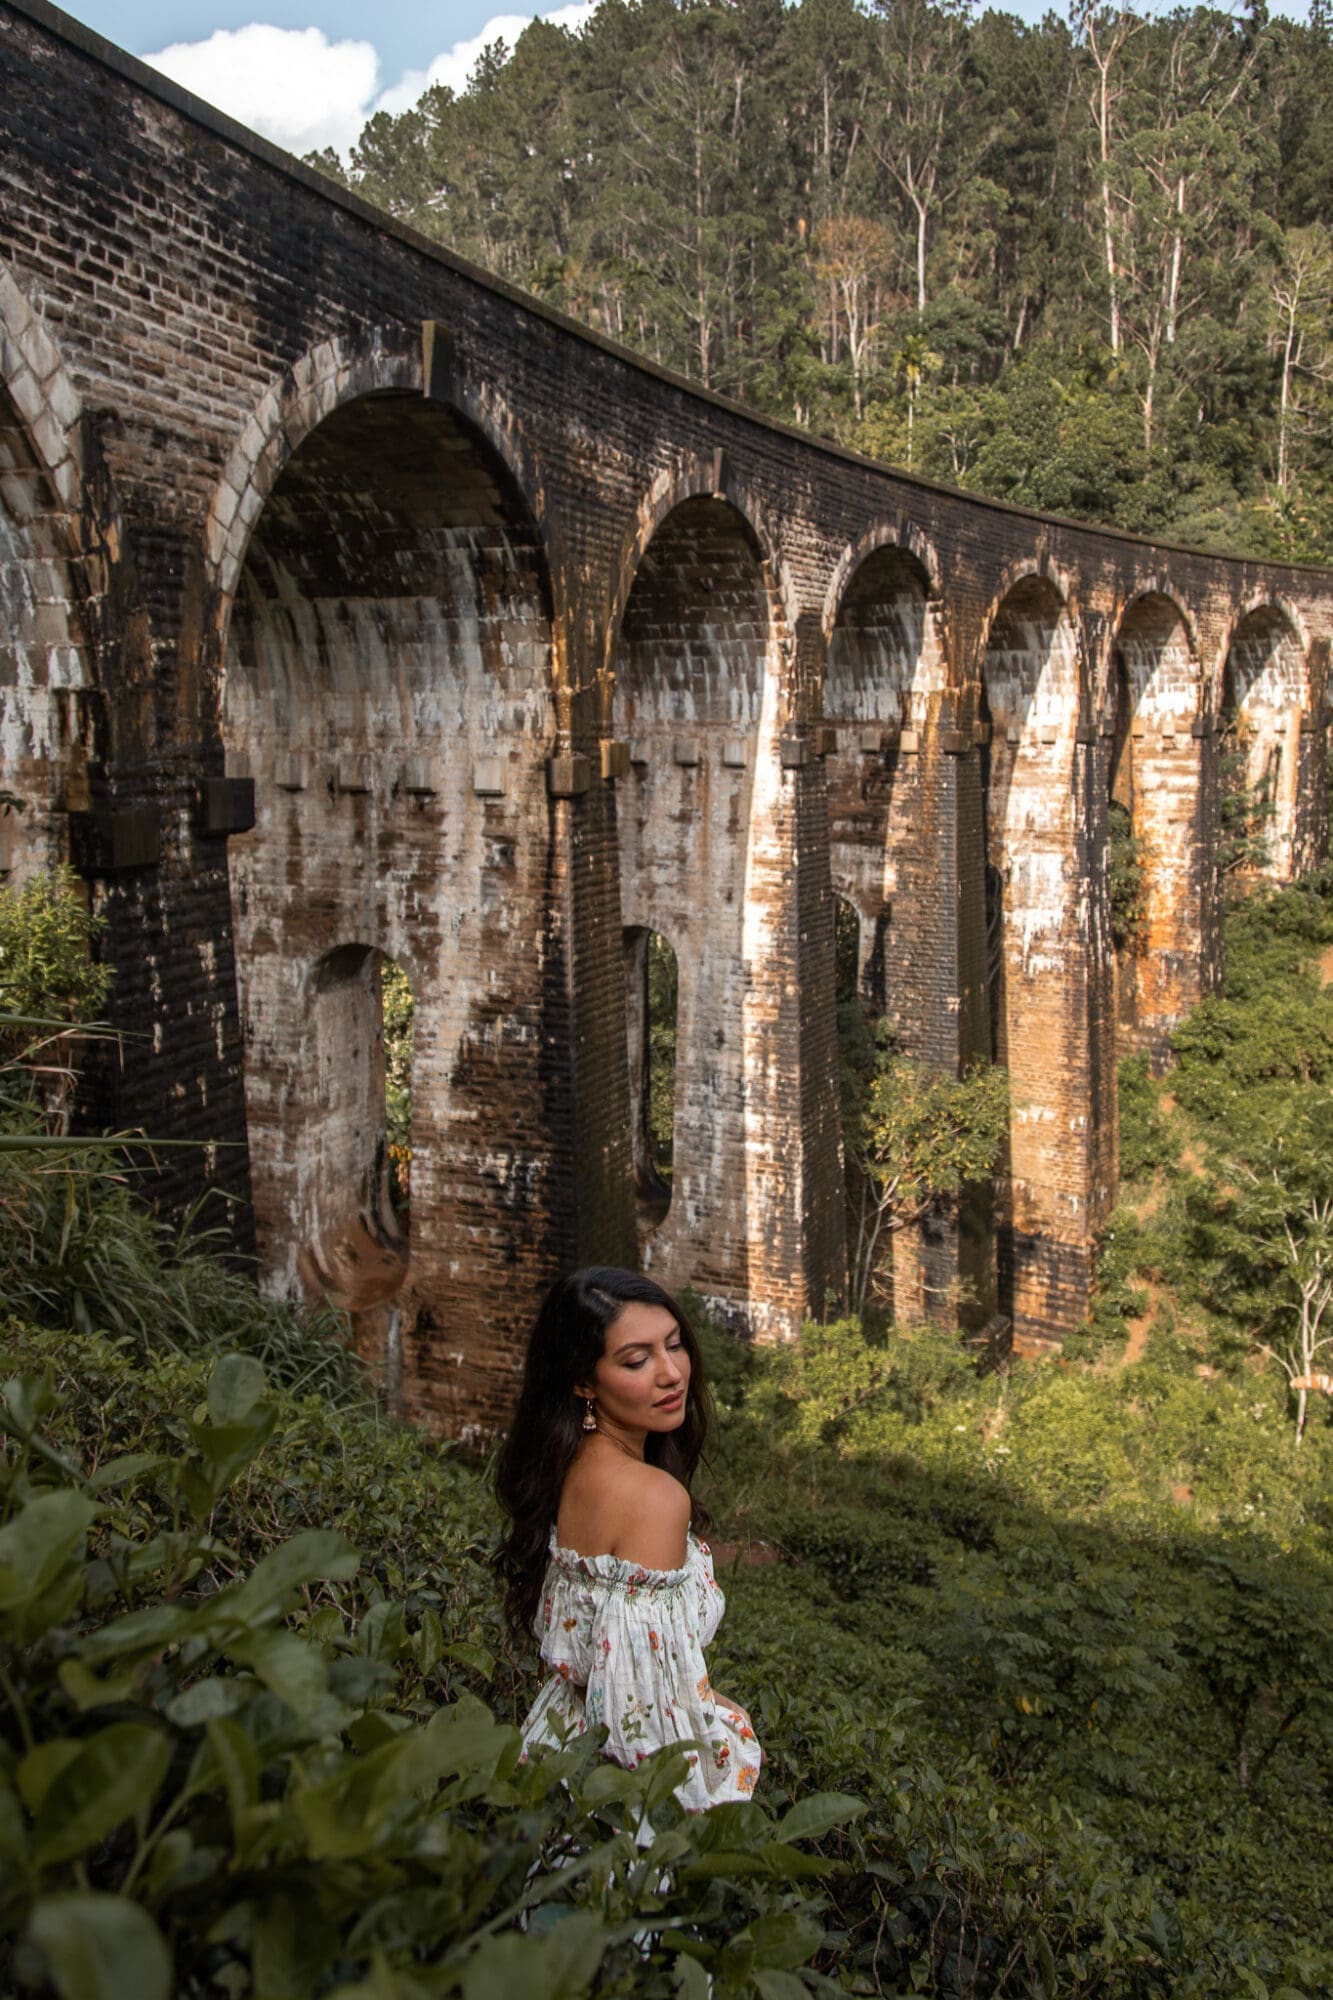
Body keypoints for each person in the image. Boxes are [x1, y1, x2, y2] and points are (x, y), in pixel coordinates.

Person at [494, 1266, 761, 1814]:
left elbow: (611, 1666)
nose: (672, 1374)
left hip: (553, 1758)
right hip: (613, 1805)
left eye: (674, 1345)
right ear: (583, 1381)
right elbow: (642, 1722)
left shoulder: (570, 1465)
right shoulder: (652, 1499)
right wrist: (730, 1722)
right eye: (637, 1361)